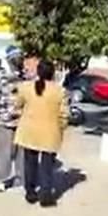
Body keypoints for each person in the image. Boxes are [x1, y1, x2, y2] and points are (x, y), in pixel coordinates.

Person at [14, 60, 68, 206]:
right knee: (46, 166)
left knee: (30, 163)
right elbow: (64, 114)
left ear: (38, 72)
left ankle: (30, 193)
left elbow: (17, 104)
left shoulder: (25, 87)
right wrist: (61, 128)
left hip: (29, 131)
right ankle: (45, 196)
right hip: (50, 133)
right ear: (53, 73)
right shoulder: (59, 91)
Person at [0, 50, 26, 191]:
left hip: (23, 121)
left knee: (22, 152)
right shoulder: (0, 75)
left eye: (21, 58)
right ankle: (1, 179)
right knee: (4, 152)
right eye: (16, 58)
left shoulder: (27, 76)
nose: (19, 60)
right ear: (9, 59)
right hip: (5, 120)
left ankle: (21, 178)